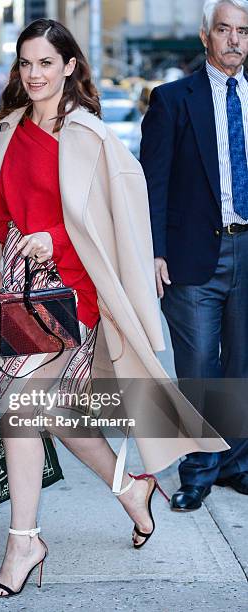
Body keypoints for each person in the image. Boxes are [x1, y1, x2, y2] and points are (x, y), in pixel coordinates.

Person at [0, 19, 228, 598]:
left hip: (72, 292)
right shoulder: (10, 130)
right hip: (23, 290)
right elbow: (0, 217)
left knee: (18, 408)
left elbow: (115, 220)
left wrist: (54, 241)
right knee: (56, 413)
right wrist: (2, 275)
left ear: (69, 66)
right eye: (26, 63)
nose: (35, 74)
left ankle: (24, 542)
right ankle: (131, 489)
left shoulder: (88, 136)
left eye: (46, 63)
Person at [140, 0, 248, 512]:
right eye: (224, 29)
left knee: (242, 367)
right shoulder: (172, 100)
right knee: (200, 368)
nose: (234, 40)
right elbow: (152, 184)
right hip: (191, 255)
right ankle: (198, 470)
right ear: (205, 36)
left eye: (243, 31)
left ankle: (236, 463)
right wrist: (155, 252)